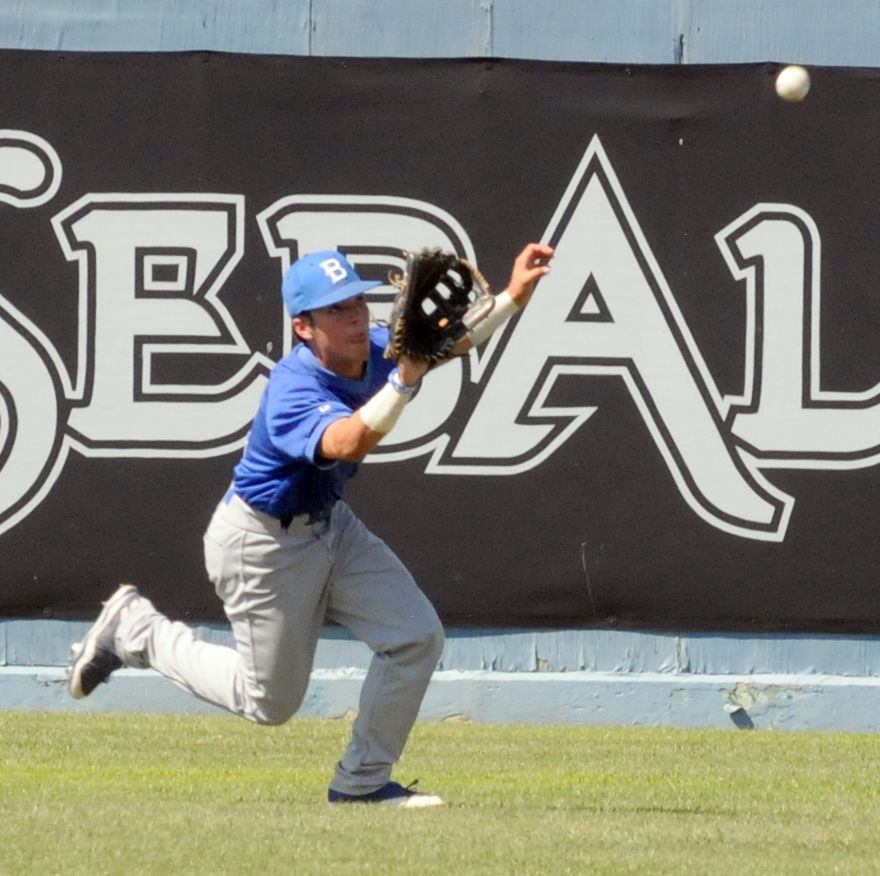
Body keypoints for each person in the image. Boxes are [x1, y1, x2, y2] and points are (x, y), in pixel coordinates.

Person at [67, 241, 554, 807]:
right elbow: (350, 440)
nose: (354, 317)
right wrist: (403, 383)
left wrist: (514, 295)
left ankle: (362, 783)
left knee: (416, 636)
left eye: (355, 303)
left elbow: (445, 342)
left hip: (331, 527)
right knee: (269, 703)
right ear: (303, 328)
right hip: (261, 544)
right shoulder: (293, 390)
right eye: (336, 310)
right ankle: (138, 631)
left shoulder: (372, 348)